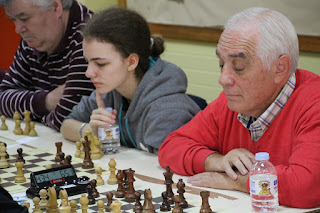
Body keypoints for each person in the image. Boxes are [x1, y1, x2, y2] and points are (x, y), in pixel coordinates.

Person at [158, 7, 320, 208]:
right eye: (221, 64)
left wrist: (235, 180)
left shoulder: (314, 103)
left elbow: (306, 187)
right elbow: (170, 147)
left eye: (238, 67)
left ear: (280, 68)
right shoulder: (230, 102)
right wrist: (215, 161)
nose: (223, 79)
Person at [60, 7, 200, 154]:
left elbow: (165, 170)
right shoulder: (109, 92)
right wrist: (90, 130)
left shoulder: (167, 111)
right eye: (87, 62)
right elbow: (66, 125)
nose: (88, 73)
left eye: (101, 64)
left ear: (131, 62)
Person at [0, 0, 95, 130]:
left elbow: (65, 120)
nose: (18, 29)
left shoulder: (89, 38)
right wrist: (47, 101)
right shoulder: (33, 39)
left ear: (56, 7)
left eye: (25, 19)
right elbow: (2, 97)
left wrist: (33, 114)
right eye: (13, 20)